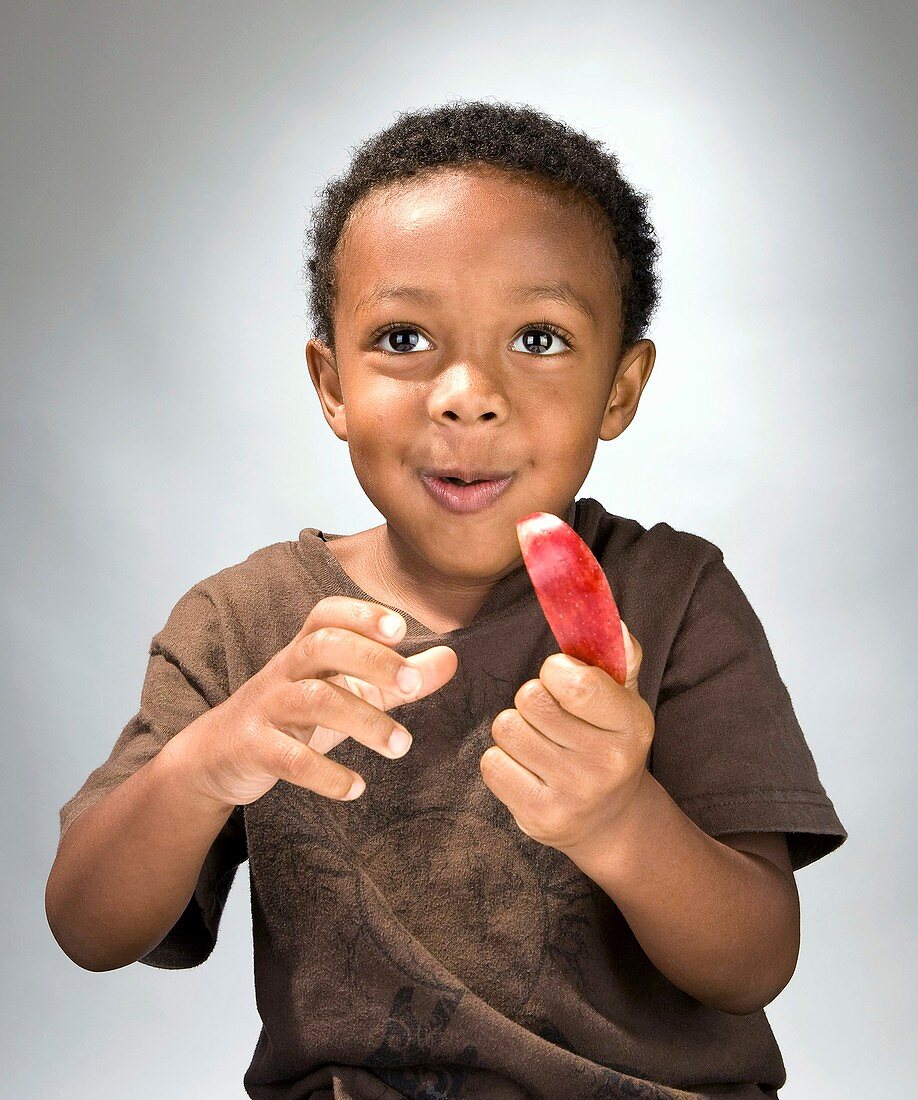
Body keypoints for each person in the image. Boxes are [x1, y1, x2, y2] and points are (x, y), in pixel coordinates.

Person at [45, 100, 847, 1100]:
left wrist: (620, 819)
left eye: (541, 337)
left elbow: (753, 958)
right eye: (405, 334)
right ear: (330, 382)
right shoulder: (240, 625)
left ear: (621, 388)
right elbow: (87, 922)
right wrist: (210, 761)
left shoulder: (676, 599)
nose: (466, 392)